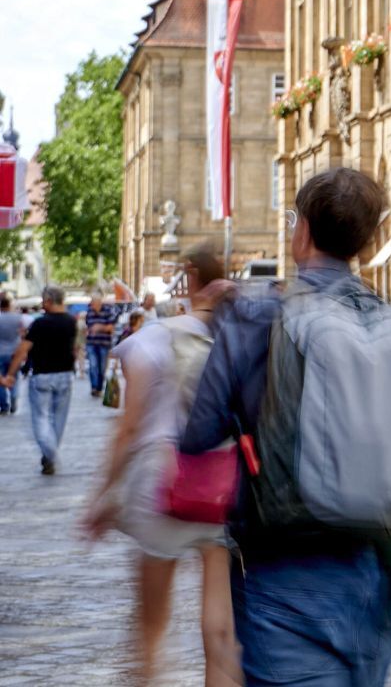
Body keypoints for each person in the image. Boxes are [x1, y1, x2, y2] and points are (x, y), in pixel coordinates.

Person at [180, 167, 391, 686]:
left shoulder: (255, 318)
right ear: (366, 243)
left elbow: (199, 435)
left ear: (301, 232)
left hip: (286, 566)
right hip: (383, 566)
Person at [83, 246, 241, 686]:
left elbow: (128, 429)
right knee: (222, 630)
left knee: (150, 630)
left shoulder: (153, 337)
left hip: (162, 482)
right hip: (222, 481)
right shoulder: (236, 337)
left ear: (185, 282)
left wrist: (103, 495)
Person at [3, 285, 81, 474]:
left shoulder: (40, 324)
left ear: (48, 301)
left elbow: (23, 350)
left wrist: (11, 375)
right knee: (59, 419)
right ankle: (49, 455)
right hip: (65, 374)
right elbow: (76, 348)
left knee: (40, 418)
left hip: (42, 376)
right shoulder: (71, 322)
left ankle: (50, 454)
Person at [85, 293, 117, 397]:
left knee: (102, 368)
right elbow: (88, 326)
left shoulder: (108, 311)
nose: (92, 305)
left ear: (99, 302)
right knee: (93, 365)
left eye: (93, 303)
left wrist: (99, 327)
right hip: (91, 343)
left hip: (104, 344)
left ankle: (99, 387)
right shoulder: (89, 312)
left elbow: (111, 328)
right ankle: (94, 387)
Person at [0, 293, 23, 415]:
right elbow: (22, 333)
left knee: (1, 379)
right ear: (9, 305)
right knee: (14, 377)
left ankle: (4, 405)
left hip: (0, 352)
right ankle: (14, 398)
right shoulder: (17, 317)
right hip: (14, 352)